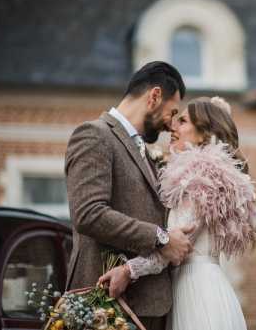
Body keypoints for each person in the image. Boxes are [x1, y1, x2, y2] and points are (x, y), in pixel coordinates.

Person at [99, 96, 256, 330]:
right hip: (195, 286)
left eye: (183, 121)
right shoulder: (196, 177)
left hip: (197, 292)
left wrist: (129, 270)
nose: (172, 126)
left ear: (204, 135)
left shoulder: (201, 178)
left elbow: (176, 244)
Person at [65, 61, 195, 330]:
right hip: (107, 304)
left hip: (149, 305)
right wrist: (161, 238)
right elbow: (89, 213)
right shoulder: (95, 135)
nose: (171, 124)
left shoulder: (147, 153)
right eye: (172, 112)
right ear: (154, 96)